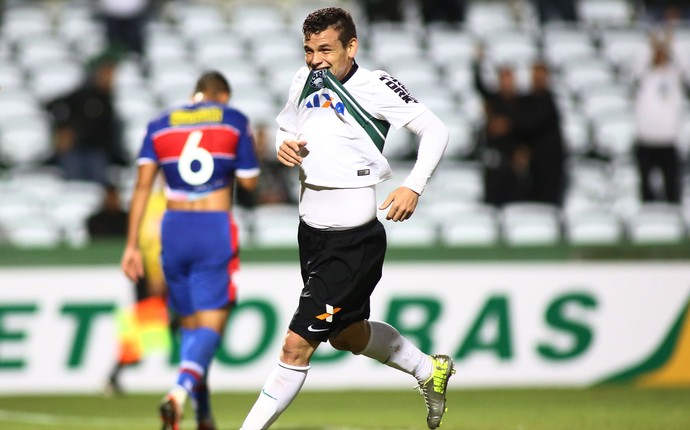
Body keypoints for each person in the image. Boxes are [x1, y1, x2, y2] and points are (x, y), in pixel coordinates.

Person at [240, 7, 453, 430]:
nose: (316, 59)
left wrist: (413, 185)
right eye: (308, 50)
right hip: (313, 237)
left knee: (295, 346)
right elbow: (286, 126)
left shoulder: (375, 86)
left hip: (352, 243)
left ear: (351, 46)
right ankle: (429, 369)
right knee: (347, 336)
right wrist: (284, 144)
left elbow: (436, 129)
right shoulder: (303, 81)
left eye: (325, 49)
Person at [120, 71, 260, 430]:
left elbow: (141, 187)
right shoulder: (232, 120)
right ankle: (179, 393)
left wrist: (132, 245)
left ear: (194, 94)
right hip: (213, 226)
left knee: (190, 328)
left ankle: (204, 413)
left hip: (174, 228)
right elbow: (249, 181)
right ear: (222, 96)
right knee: (212, 325)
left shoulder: (159, 125)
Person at [102, 177, 172, 396]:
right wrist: (155, 273)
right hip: (156, 273)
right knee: (146, 324)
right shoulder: (156, 203)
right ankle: (116, 373)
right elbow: (150, 241)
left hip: (169, 270)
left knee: (173, 320)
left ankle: (116, 374)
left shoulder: (164, 201)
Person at [45, 49, 128, 185]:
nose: (109, 78)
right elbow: (54, 106)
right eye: (106, 73)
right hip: (76, 151)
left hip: (98, 152)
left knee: (97, 188)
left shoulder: (108, 100)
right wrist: (62, 128)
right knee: (76, 189)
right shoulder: (83, 95)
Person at [632, 31, 688, 204]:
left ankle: (673, 217)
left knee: (672, 184)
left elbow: (685, 69)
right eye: (658, 52)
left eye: (663, 52)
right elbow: (636, 70)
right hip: (645, 138)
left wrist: (671, 48)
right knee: (646, 185)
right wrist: (652, 47)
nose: (660, 55)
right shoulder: (644, 76)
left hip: (668, 138)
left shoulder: (674, 75)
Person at [472, 44, 531, 207]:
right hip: (495, 160)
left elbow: (528, 126)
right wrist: (477, 63)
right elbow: (478, 85)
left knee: (514, 201)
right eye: (503, 78)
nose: (507, 82)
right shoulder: (495, 99)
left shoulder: (521, 101)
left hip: (513, 161)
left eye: (509, 78)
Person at [516, 60, 567, 206]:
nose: (537, 79)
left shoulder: (547, 101)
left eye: (541, 76)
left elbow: (529, 123)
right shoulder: (527, 99)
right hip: (533, 167)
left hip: (549, 165)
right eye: (535, 76)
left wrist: (507, 123)